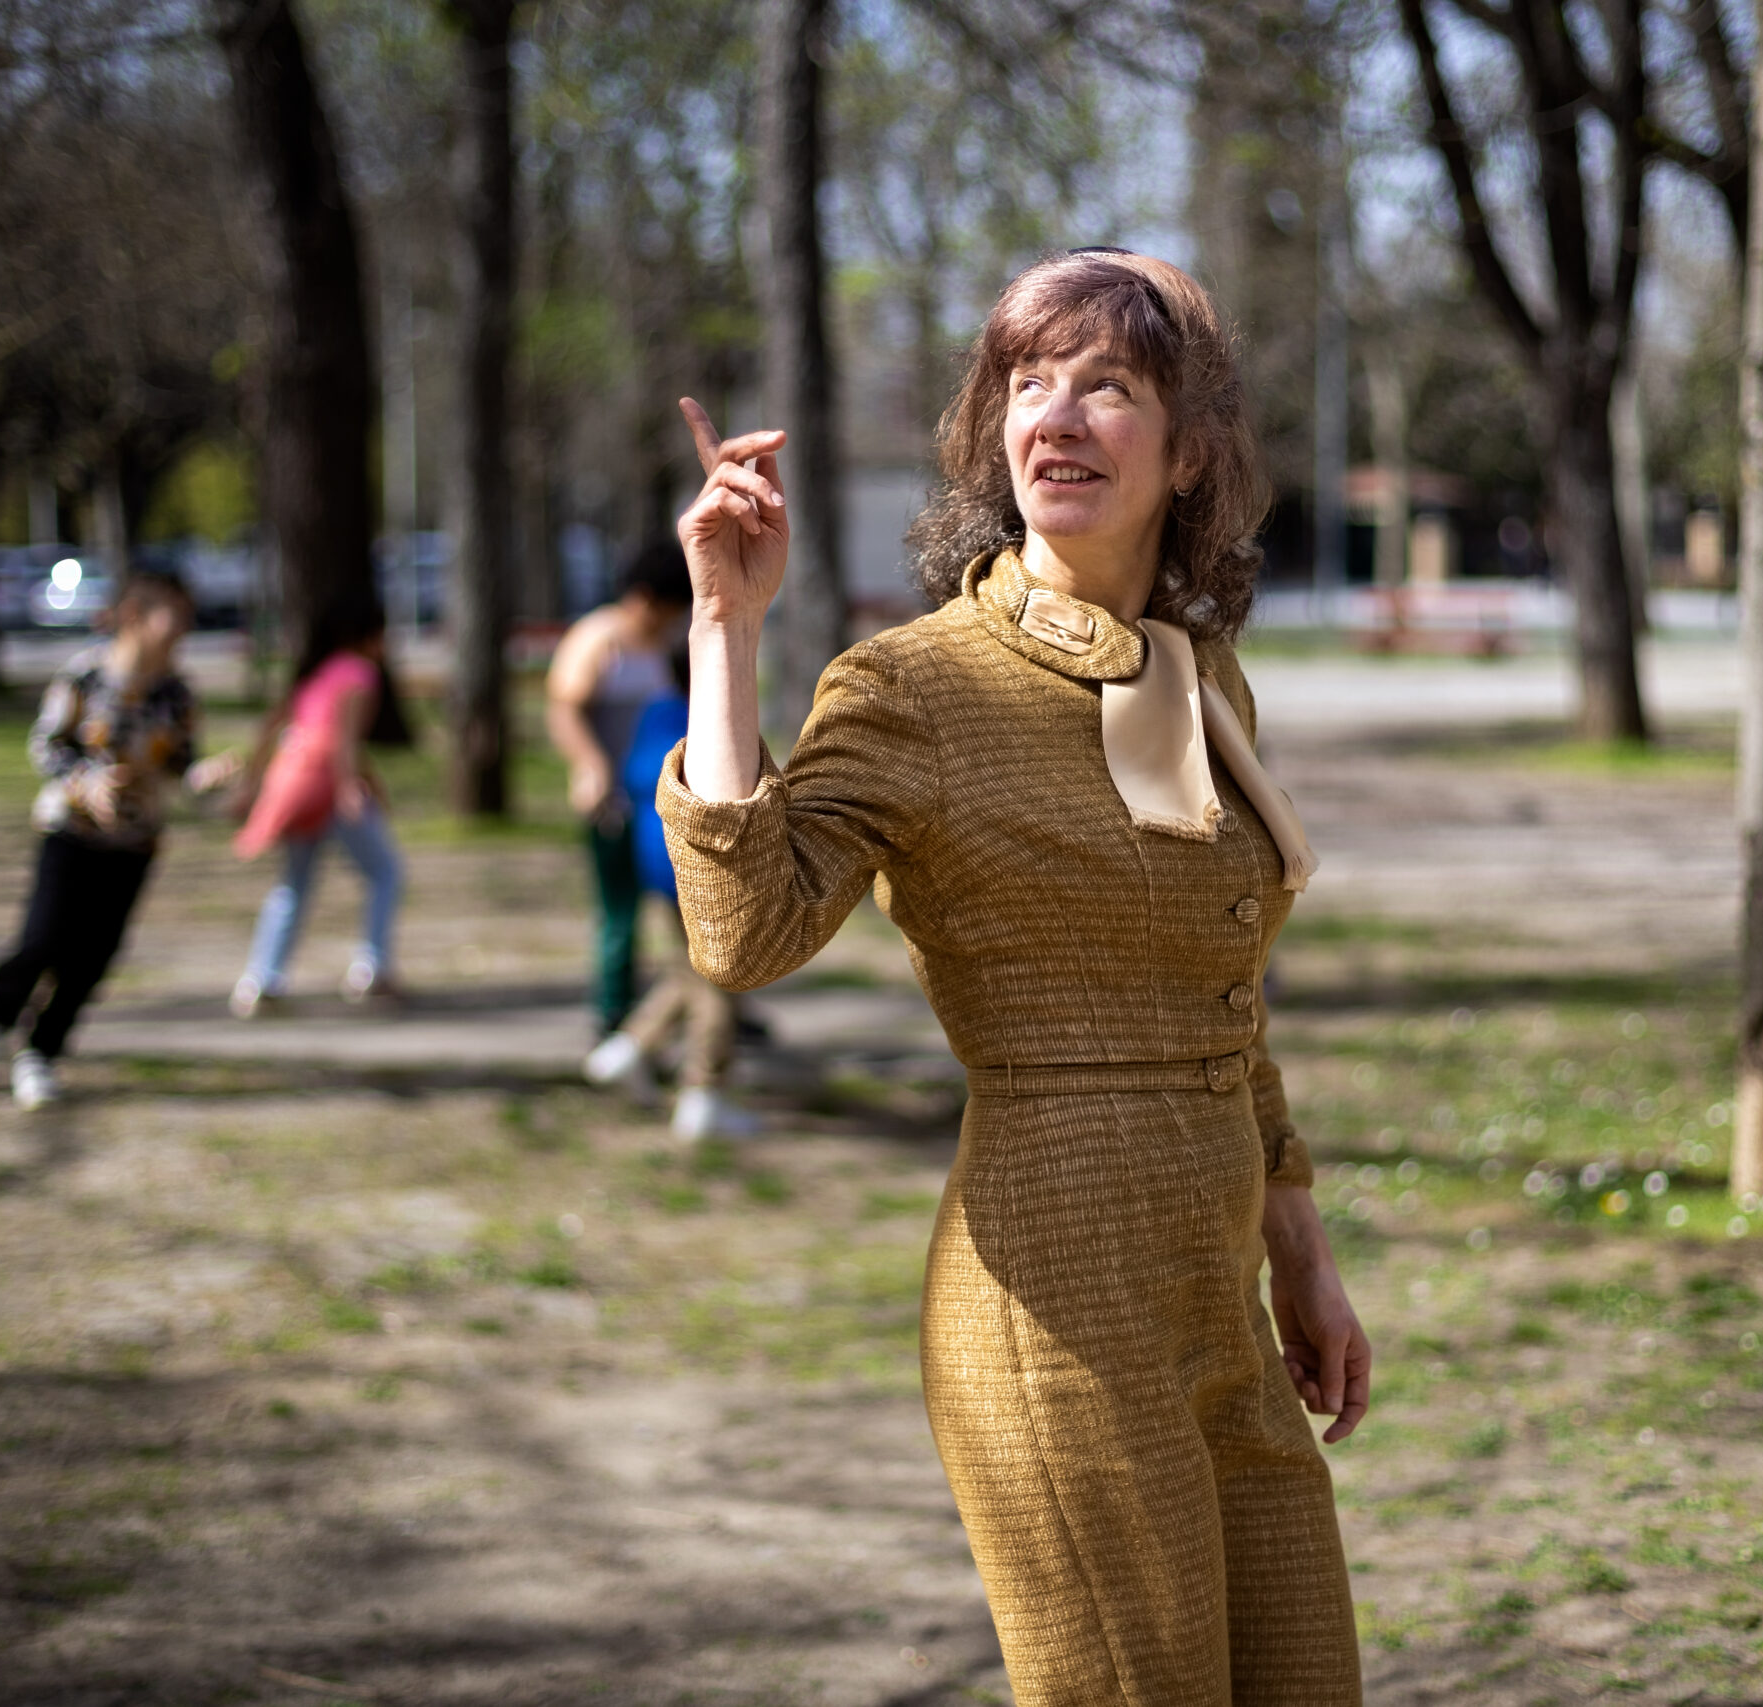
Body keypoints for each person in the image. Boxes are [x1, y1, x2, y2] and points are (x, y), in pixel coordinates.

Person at [659, 249, 1367, 1704]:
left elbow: (1225, 995)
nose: (1056, 416)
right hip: (1052, 1312)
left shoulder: (1201, 675)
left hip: (1218, 1301)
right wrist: (725, 625)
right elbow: (744, 933)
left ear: (1190, 450)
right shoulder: (917, 684)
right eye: (1026, 383)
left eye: (1108, 384)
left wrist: (1300, 1248)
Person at [0, 570, 199, 1110]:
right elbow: (46, 746)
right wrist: (88, 783)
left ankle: (40, 1053)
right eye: (173, 614)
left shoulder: (176, 692)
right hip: (71, 833)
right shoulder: (86, 676)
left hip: (135, 842)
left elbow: (182, 764)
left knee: (94, 957)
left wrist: (208, 778)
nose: (184, 626)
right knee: (41, 941)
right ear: (135, 616)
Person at [220, 595, 411, 1017]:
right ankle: (373, 970)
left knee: (294, 884)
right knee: (386, 872)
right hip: (325, 785)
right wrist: (351, 788)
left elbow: (274, 725)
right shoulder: (359, 673)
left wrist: (253, 784)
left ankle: (261, 980)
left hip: (290, 781)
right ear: (367, 635)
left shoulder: (316, 671)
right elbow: (342, 740)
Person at [547, 542, 689, 1082]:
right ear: (644, 597)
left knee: (679, 918)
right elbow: (564, 709)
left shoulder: (663, 646)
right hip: (609, 798)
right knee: (619, 913)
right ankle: (612, 1015)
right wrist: (590, 765)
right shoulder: (599, 637)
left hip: (657, 802)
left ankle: (686, 1015)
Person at [604, 642, 756, 1140]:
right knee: (720, 976)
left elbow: (636, 776)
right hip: (699, 865)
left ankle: (632, 1047)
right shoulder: (705, 719)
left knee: (692, 968)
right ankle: (702, 1094)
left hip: (653, 860)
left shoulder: (655, 713)